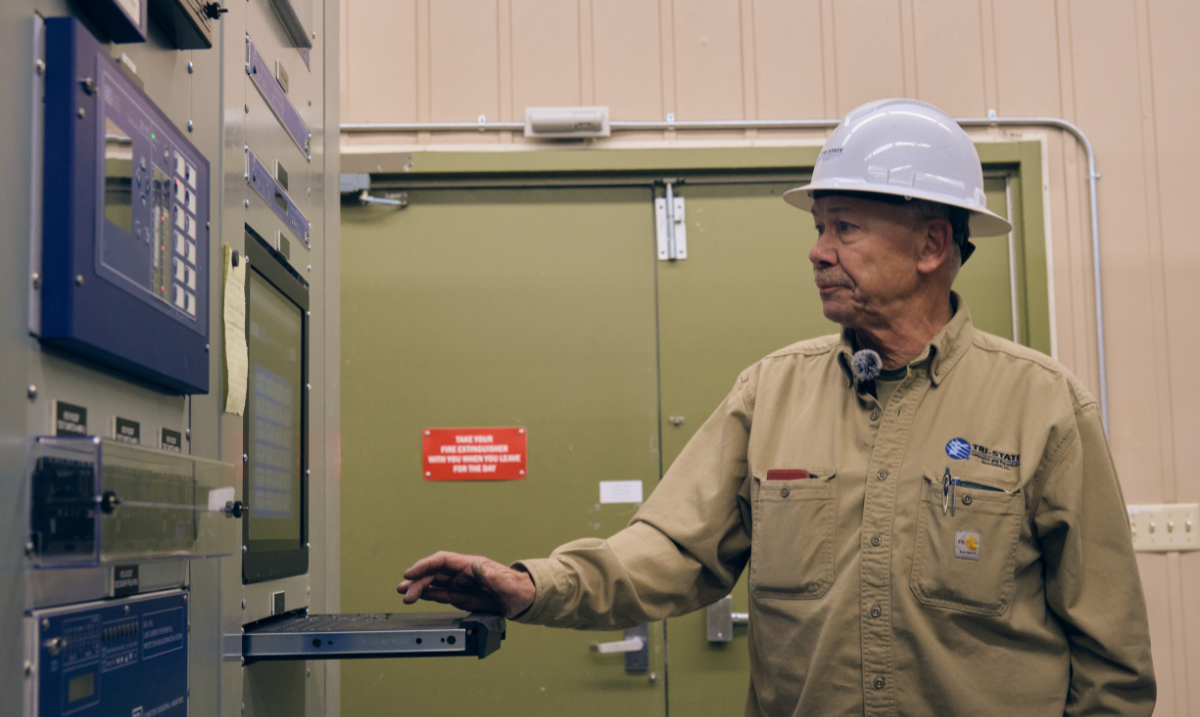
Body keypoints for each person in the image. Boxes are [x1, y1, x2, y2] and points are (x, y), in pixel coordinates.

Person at [397, 99, 1156, 716]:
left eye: (845, 227)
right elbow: (670, 550)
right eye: (818, 226)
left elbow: (1112, 664)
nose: (818, 250)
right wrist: (534, 584)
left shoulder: (1044, 406)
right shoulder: (771, 393)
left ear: (931, 244)